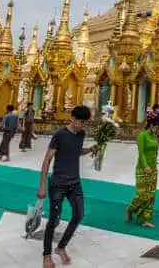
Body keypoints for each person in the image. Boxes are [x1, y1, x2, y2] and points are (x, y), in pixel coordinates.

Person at [37, 106, 97, 268]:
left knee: (78, 215)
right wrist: (42, 185)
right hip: (58, 184)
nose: (80, 125)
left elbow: (76, 152)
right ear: (71, 118)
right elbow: (48, 159)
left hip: (75, 183)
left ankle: (61, 247)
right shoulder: (59, 135)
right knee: (54, 220)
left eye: (83, 122)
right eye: (78, 120)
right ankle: (47, 255)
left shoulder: (81, 134)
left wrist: (90, 150)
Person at [126, 115, 159, 227]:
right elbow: (141, 153)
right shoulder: (142, 135)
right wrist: (146, 166)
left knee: (152, 195)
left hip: (153, 169)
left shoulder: (155, 136)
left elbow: (155, 152)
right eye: (156, 127)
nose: (158, 129)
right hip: (142, 169)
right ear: (151, 125)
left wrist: (154, 165)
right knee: (142, 195)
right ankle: (130, 209)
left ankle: (147, 219)